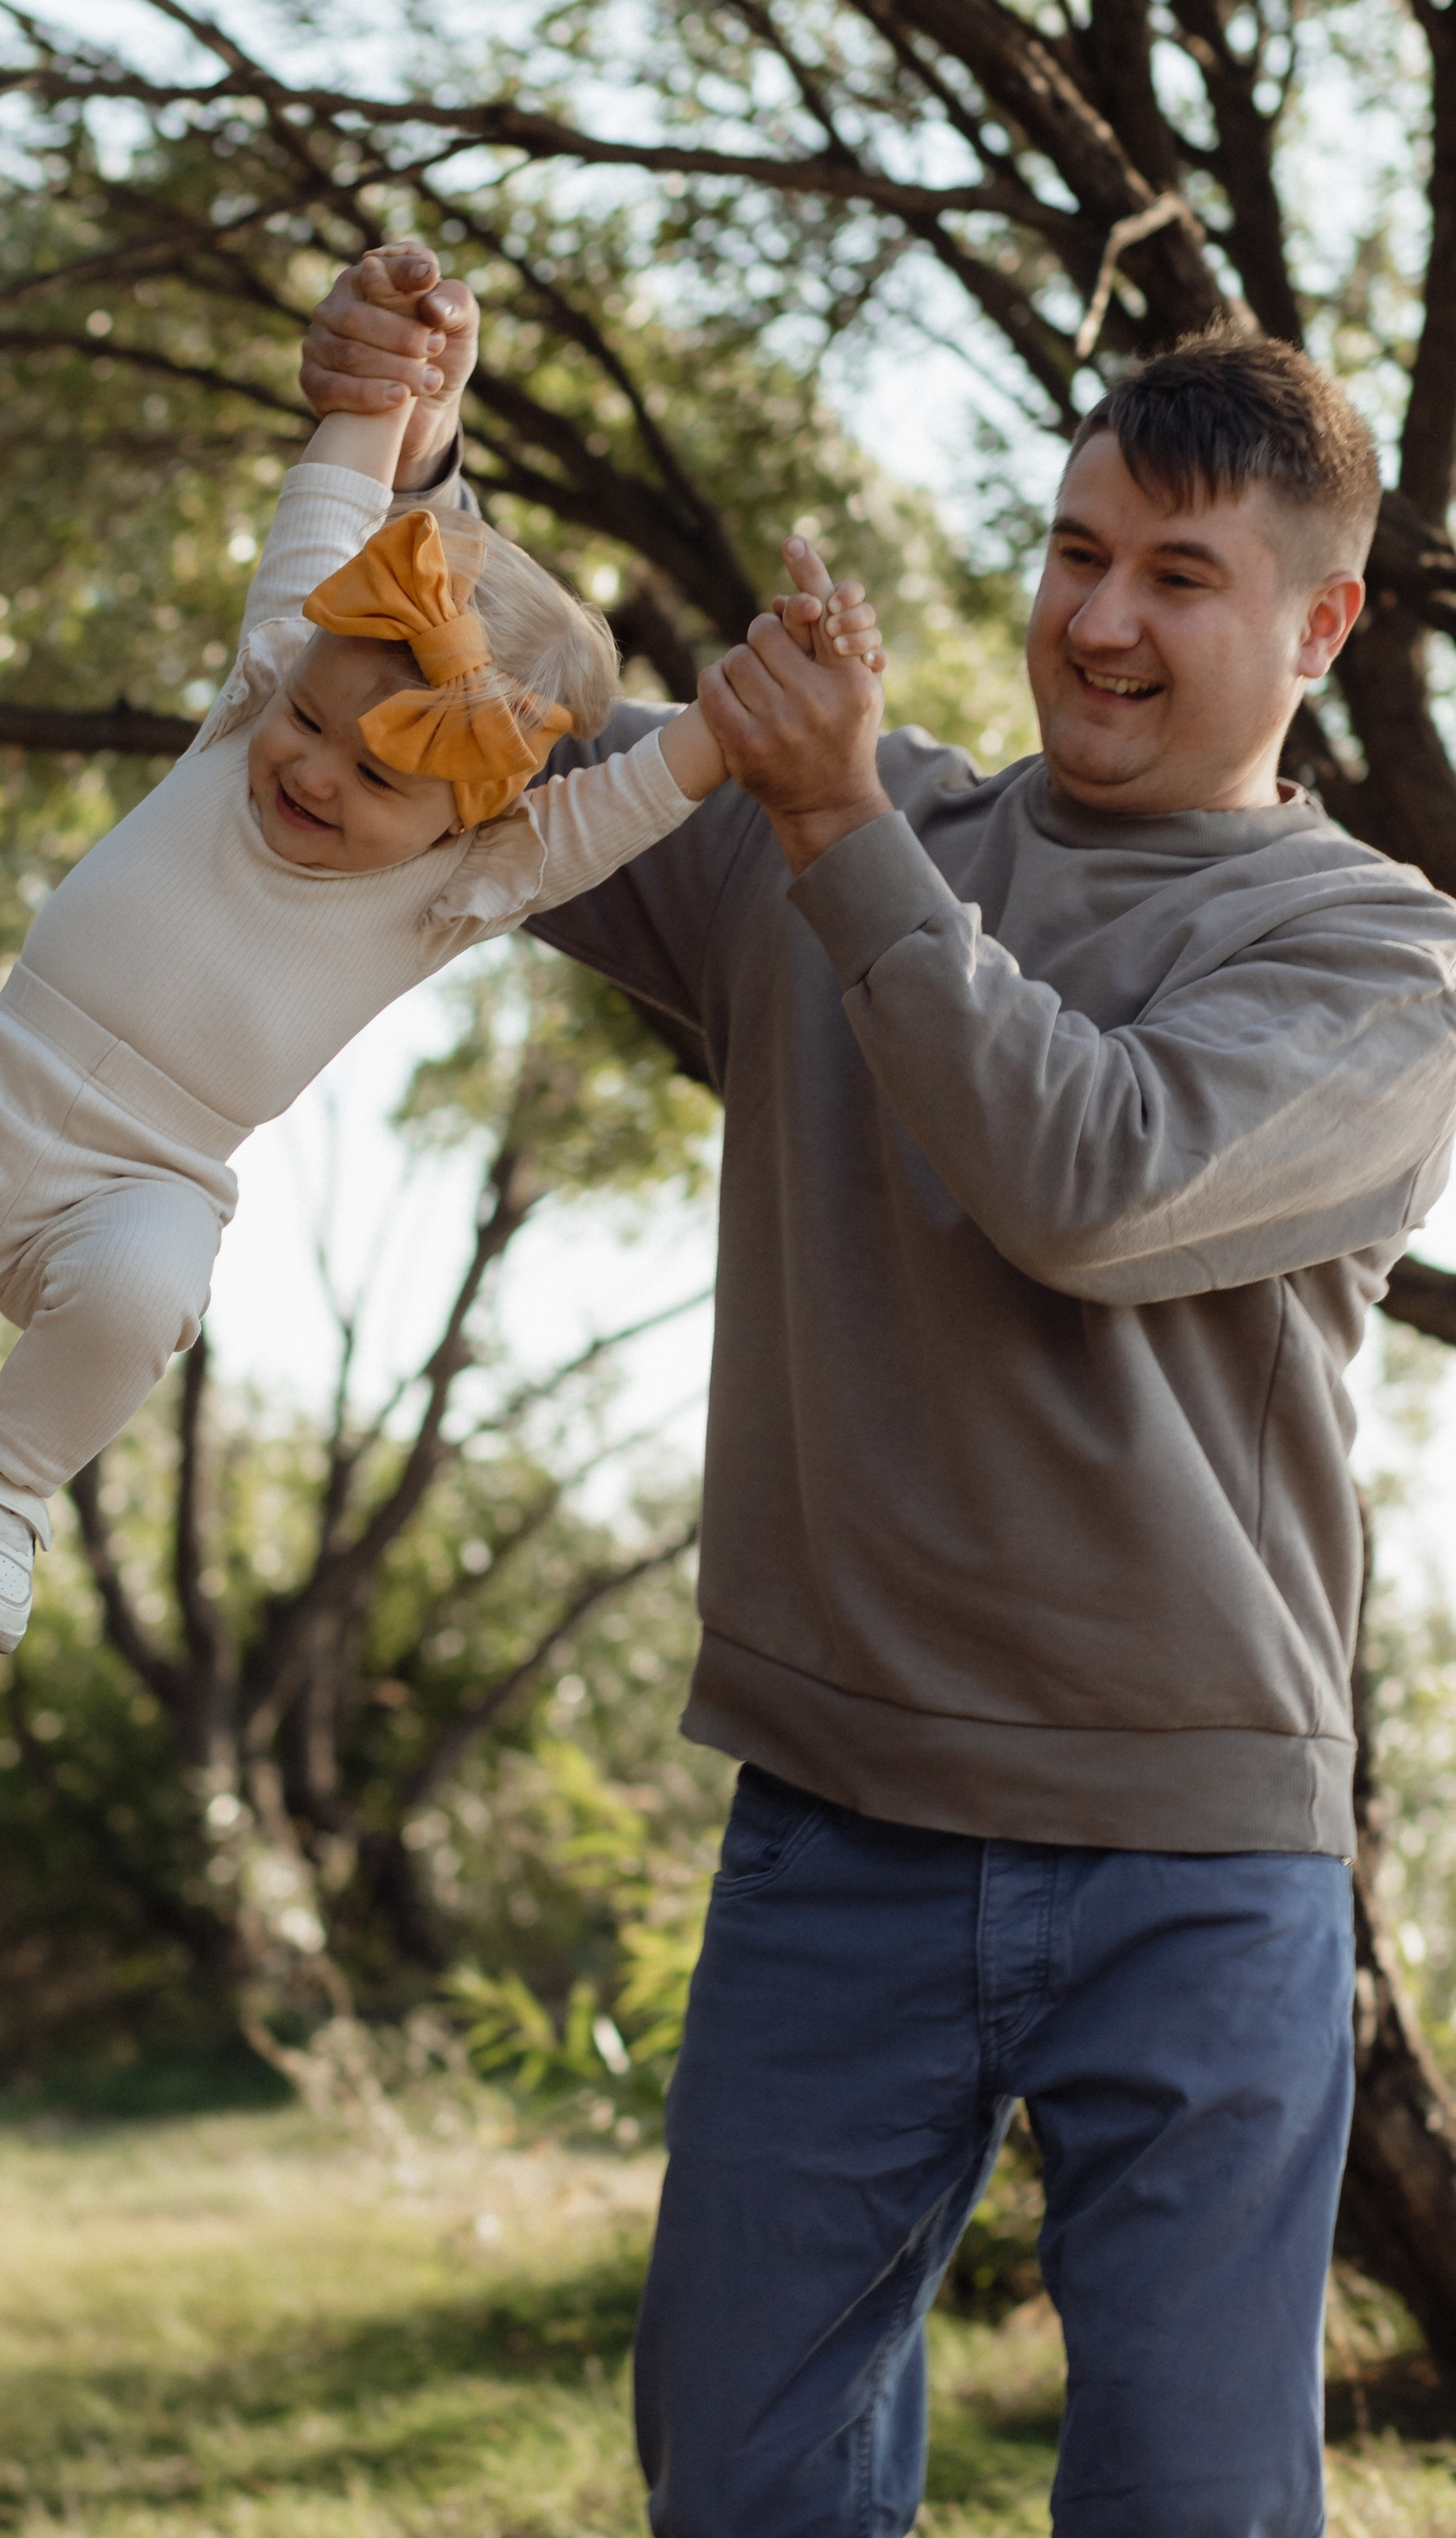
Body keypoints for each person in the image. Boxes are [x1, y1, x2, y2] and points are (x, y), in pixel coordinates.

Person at [302, 258, 1456, 2536]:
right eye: (1076, 553)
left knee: (1195, 2508)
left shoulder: (1381, 962)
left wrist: (839, 837)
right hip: (834, 1818)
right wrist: (406, 457)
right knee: (737, 2487)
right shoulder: (829, 821)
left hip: (1197, 1857)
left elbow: (1089, 1179)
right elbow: (484, 737)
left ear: (1317, 636)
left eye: (1180, 582)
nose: (1102, 623)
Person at [0, 258, 885, 1661]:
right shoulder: (253, 703)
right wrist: (393, 380)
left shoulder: (466, 884)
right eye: (314, 718)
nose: (314, 766)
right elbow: (330, 502)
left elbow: (635, 797)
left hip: (144, 1180)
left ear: (468, 815)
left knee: (146, 1294)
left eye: (377, 773)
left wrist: (761, 702)